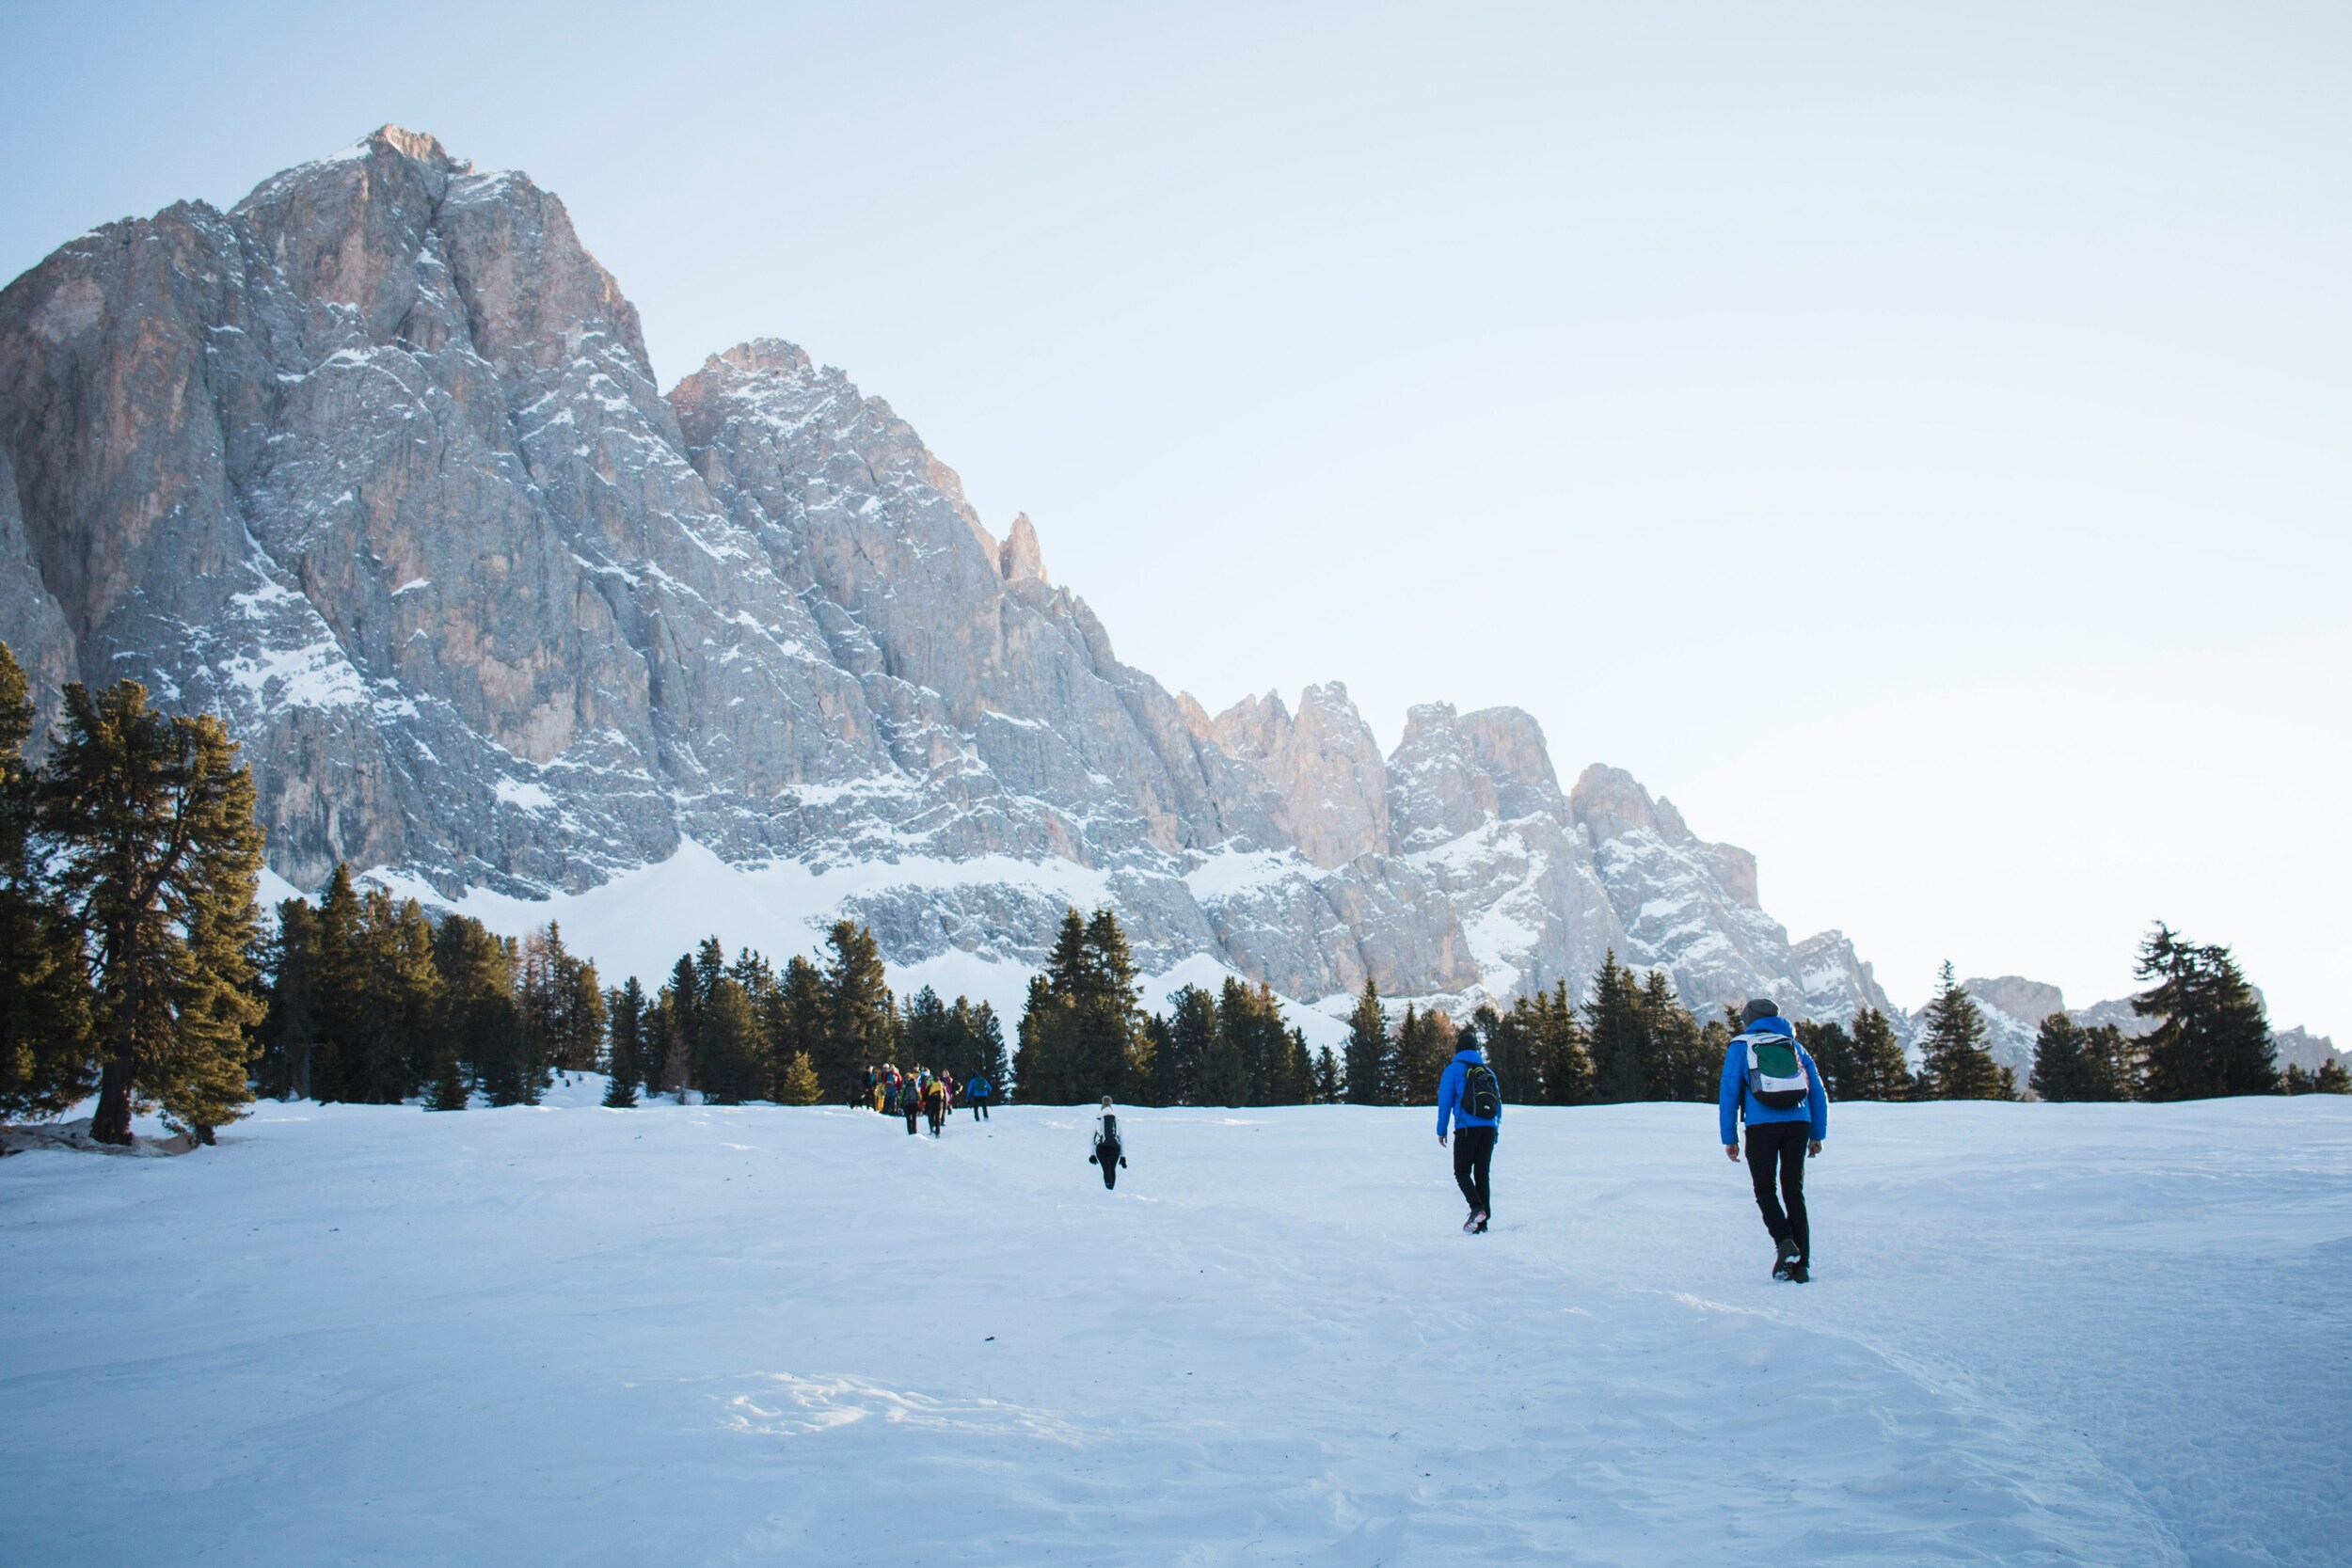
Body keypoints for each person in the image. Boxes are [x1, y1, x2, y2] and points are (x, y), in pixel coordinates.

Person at [1719, 997, 1828, 1282]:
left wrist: (1729, 1137)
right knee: (1793, 1191)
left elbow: (1729, 1093)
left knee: (1765, 1189)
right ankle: (1800, 1267)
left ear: (1748, 1021)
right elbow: (1816, 1091)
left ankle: (1784, 1242)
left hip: (1761, 1126)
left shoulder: (1741, 1045)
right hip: (1798, 1123)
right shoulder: (1794, 1046)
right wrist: (1817, 1133)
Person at [1436, 1022, 1502, 1233]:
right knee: (1482, 1173)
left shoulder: (1453, 1070)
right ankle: (1482, 1223)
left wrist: (1441, 1130)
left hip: (1466, 1128)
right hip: (1488, 1128)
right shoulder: (1488, 1072)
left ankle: (1476, 1208)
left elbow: (1445, 1102)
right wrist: (1495, 1131)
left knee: (1462, 1171)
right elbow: (1498, 1104)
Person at [1088, 1095, 1127, 1189]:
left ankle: (1108, 1190)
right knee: (1112, 1169)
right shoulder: (1116, 1120)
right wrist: (1123, 1157)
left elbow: (1091, 1138)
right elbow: (1122, 1139)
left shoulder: (1098, 1119)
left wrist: (1092, 1154)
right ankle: (1111, 1189)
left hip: (1102, 1148)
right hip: (1115, 1148)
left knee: (1106, 1169)